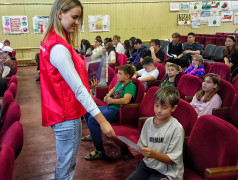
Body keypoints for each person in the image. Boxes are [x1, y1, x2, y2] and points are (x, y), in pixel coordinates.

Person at [40, 0, 115, 179]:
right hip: (67, 114)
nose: (77, 22)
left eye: (78, 18)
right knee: (66, 168)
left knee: (65, 164)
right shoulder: (58, 47)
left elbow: (60, 80)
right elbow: (79, 90)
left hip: (60, 109)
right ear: (60, 14)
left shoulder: (52, 41)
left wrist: (87, 84)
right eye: (74, 17)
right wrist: (103, 121)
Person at [127, 86, 184, 180]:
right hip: (148, 164)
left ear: (173, 108)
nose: (159, 110)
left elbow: (173, 160)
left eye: (164, 107)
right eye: (156, 105)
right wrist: (137, 149)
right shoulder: (148, 121)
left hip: (168, 171)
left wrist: (154, 154)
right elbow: (143, 145)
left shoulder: (176, 128)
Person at [83, 64, 136, 160]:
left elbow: (125, 100)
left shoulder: (130, 85)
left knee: (92, 120)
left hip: (117, 111)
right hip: (109, 108)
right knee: (87, 111)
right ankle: (92, 134)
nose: (117, 75)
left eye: (120, 74)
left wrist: (111, 100)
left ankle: (99, 151)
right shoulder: (121, 83)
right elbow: (113, 89)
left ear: (127, 76)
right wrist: (108, 95)